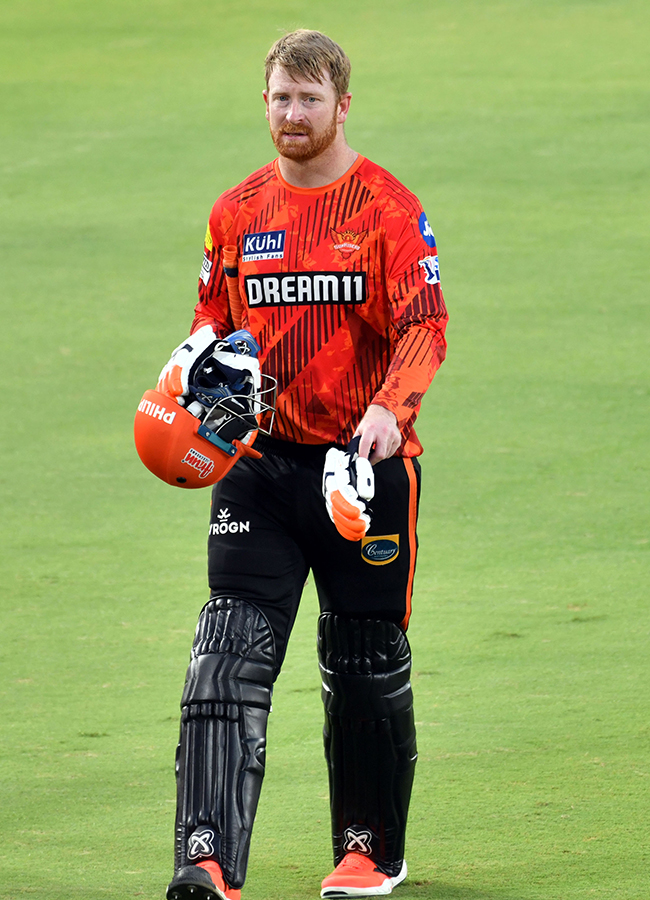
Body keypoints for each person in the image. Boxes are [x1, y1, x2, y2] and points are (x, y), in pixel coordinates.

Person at [162, 29, 448, 900]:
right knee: (226, 650)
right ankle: (206, 859)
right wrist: (186, 369)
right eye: (280, 99)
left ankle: (369, 851)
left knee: (361, 658)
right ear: (266, 102)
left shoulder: (388, 211)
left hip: (363, 470)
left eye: (309, 101)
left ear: (343, 106)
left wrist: (386, 415)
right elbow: (214, 319)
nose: (293, 115)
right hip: (259, 463)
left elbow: (425, 326)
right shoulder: (236, 211)